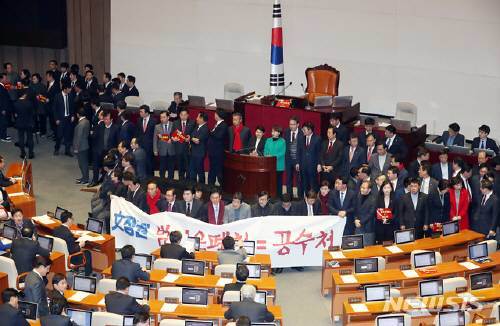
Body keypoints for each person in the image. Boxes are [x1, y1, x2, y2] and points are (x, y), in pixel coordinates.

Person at [53, 211, 93, 276]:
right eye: (72, 219)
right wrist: (80, 245)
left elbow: (68, 243)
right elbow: (72, 250)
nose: (72, 220)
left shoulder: (56, 229)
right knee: (87, 253)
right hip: (70, 258)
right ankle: (88, 275)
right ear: (68, 220)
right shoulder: (68, 234)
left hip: (60, 256)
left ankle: (76, 270)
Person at [89, 110, 118, 186]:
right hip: (98, 150)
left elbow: (117, 141)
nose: (105, 121)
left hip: (108, 152)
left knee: (106, 167)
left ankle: (104, 181)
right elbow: (93, 136)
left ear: (111, 120)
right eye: (104, 119)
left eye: (107, 119)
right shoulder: (100, 126)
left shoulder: (116, 128)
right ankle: (94, 180)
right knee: (95, 166)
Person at [283, 116, 304, 197]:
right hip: (288, 160)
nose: (291, 126)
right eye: (290, 124)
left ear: (298, 124)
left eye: (293, 124)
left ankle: (300, 198)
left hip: (298, 160)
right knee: (288, 179)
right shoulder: (287, 132)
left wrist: (299, 161)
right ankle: (289, 197)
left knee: (299, 180)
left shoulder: (302, 133)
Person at [172, 107, 194, 180]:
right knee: (180, 168)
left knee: (188, 168)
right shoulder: (175, 123)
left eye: (185, 115)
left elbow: (195, 134)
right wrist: (173, 138)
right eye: (182, 114)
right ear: (179, 115)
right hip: (178, 149)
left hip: (188, 149)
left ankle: (188, 183)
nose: (183, 116)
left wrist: (190, 137)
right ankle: (181, 182)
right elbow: (172, 134)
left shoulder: (192, 123)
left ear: (188, 115)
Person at [300, 121, 322, 194]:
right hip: (303, 165)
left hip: (313, 165)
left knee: (313, 184)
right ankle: (306, 198)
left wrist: (319, 164)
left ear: (310, 130)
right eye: (302, 129)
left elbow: (319, 152)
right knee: (305, 184)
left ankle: (314, 199)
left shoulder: (317, 138)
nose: (303, 131)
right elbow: (300, 152)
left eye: (304, 130)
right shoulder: (301, 138)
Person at [264, 125, 286, 196]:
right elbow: (265, 151)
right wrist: (267, 155)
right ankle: (269, 195)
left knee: (278, 182)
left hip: (278, 165)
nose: (272, 133)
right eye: (272, 131)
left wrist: (272, 156)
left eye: (274, 131)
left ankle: (279, 196)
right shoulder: (268, 140)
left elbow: (282, 153)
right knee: (269, 181)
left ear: (279, 133)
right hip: (269, 164)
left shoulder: (283, 141)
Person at [208, 109, 228, 185]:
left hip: (218, 153)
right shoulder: (217, 124)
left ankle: (223, 187)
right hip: (213, 152)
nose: (214, 115)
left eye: (215, 114)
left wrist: (210, 132)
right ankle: (210, 185)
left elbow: (218, 136)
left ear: (219, 115)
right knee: (212, 170)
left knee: (218, 171)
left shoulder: (223, 125)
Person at [154, 111, 176, 179]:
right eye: (161, 117)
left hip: (172, 150)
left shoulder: (174, 124)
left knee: (171, 168)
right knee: (162, 168)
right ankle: (162, 181)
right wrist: (155, 150)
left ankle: (171, 181)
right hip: (162, 150)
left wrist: (163, 137)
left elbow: (176, 136)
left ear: (168, 117)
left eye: (164, 117)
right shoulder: (157, 126)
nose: (162, 119)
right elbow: (155, 139)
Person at [13, 88, 35, 158]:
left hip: (20, 123)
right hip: (29, 123)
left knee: (21, 138)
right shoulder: (29, 103)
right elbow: (33, 113)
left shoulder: (16, 103)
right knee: (30, 138)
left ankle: (23, 153)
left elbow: (15, 114)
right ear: (24, 95)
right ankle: (31, 154)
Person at [354, 180, 377, 245]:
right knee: (357, 247)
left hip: (368, 228)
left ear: (369, 190)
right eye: (361, 187)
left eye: (364, 188)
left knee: (368, 249)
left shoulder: (373, 199)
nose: (361, 189)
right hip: (358, 226)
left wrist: (360, 222)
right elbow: (355, 210)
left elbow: (371, 214)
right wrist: (355, 219)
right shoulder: (358, 196)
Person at [189, 112, 209, 183]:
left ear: (202, 119)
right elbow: (191, 136)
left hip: (199, 154)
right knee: (192, 171)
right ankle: (193, 186)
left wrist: (191, 138)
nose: (196, 119)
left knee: (200, 171)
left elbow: (197, 140)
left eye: (198, 117)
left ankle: (201, 187)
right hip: (193, 152)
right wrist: (192, 138)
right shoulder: (197, 126)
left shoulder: (205, 128)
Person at [135, 105, 155, 177]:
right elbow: (137, 132)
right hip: (141, 145)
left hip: (150, 145)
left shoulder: (154, 121)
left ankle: (151, 178)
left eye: (141, 112)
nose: (140, 113)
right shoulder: (138, 120)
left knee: (149, 162)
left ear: (147, 113)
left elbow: (155, 134)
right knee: (141, 162)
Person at [73, 108, 90, 184]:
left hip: (81, 147)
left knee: (82, 164)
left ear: (78, 114)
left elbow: (79, 137)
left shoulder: (81, 124)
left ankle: (85, 179)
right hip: (85, 145)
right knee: (84, 163)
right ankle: (84, 177)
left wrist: (76, 148)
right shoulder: (87, 121)